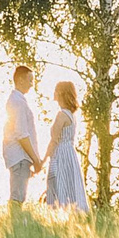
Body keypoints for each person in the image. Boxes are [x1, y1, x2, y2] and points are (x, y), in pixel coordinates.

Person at [43, 80, 90, 215]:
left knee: (58, 182)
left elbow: (54, 140)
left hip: (61, 153)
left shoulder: (62, 115)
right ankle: (70, 212)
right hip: (69, 153)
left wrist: (43, 160)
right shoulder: (71, 115)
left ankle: (58, 212)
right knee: (69, 183)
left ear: (61, 93)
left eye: (56, 90)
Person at [1, 64, 43, 205]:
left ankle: (16, 218)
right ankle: (14, 219)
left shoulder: (18, 101)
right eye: (30, 80)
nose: (32, 84)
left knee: (19, 196)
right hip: (20, 157)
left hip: (21, 157)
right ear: (20, 80)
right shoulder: (18, 102)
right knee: (17, 198)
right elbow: (22, 135)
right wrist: (35, 159)